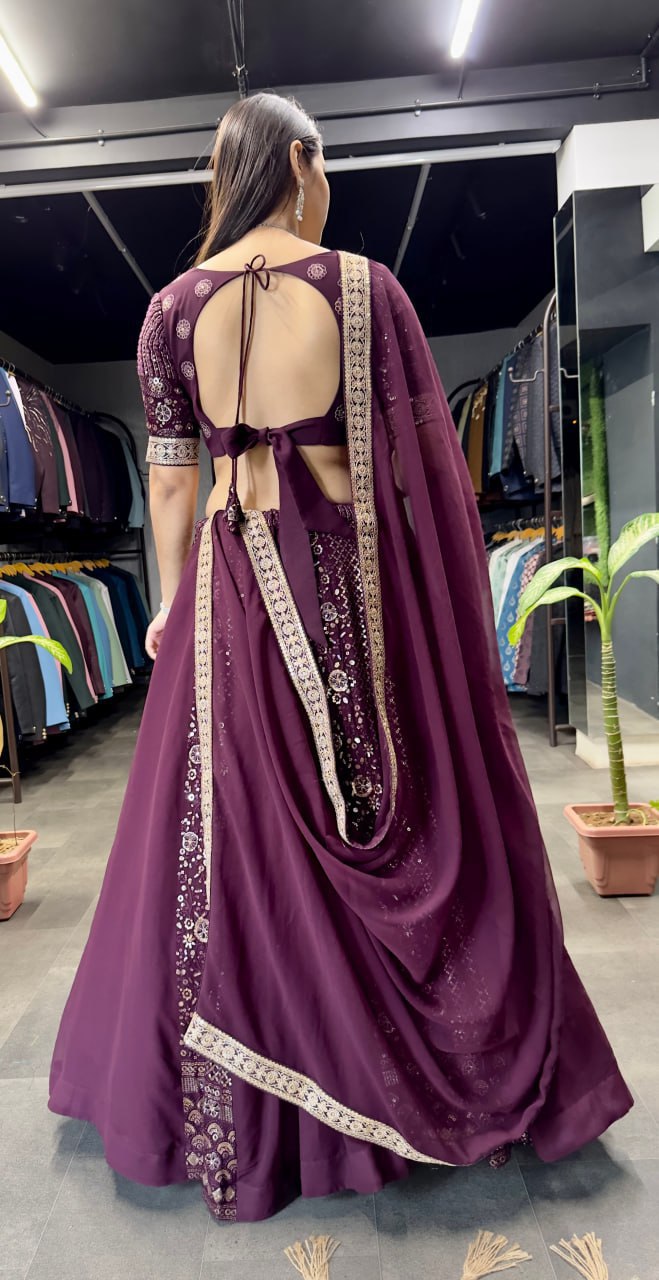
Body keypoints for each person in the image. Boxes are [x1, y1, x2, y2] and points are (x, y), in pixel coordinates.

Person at [49, 92, 632, 1224]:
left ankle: (265, 1097)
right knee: (376, 796)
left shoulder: (169, 312)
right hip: (342, 595)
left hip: (228, 597)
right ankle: (395, 1063)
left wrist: (168, 606)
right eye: (324, 167)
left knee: (231, 833)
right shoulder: (366, 292)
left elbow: (169, 483)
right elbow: (413, 474)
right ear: (299, 161)